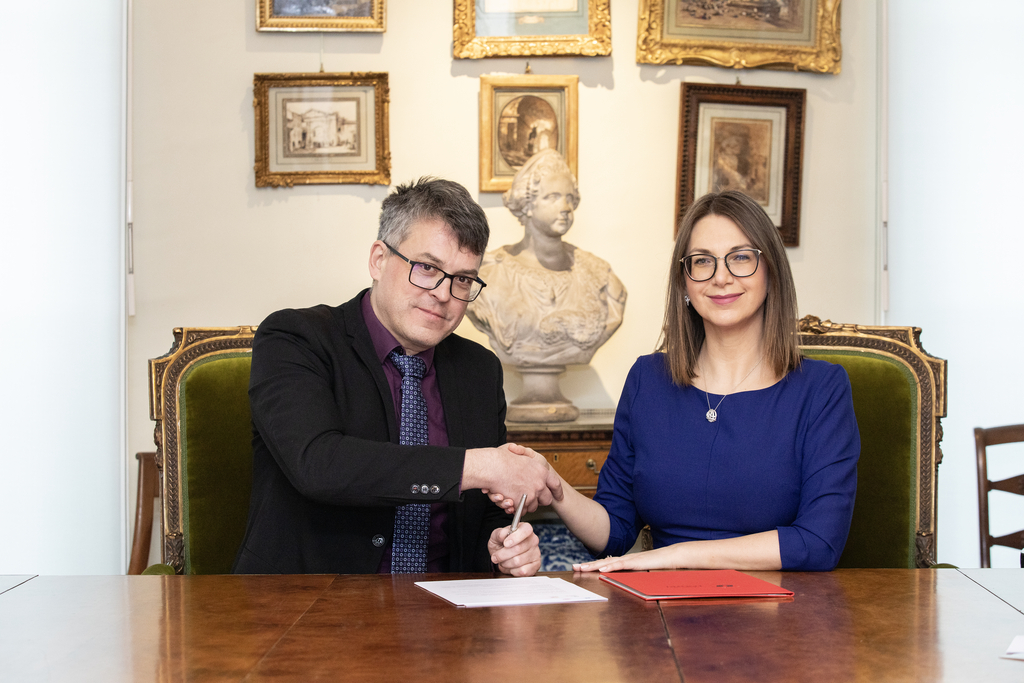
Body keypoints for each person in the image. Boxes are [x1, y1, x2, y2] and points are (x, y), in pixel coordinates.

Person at [496, 190, 859, 572]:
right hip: (663, 615)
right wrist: (553, 484)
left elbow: (819, 543)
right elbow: (616, 531)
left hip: (779, 614)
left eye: (740, 258)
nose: (721, 277)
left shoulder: (822, 389)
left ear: (771, 272)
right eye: (702, 261)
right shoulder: (647, 380)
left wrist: (679, 555)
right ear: (684, 282)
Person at [232, 177, 562, 577]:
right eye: (427, 268)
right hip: (311, 607)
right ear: (378, 259)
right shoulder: (296, 338)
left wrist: (503, 548)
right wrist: (478, 466)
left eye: (462, 279)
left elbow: (483, 514)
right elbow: (318, 464)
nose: (443, 294)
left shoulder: (479, 369)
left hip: (445, 615)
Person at [467, 149, 626, 368]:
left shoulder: (599, 274)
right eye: (552, 197)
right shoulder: (489, 274)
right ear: (527, 204)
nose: (566, 208)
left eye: (570, 198)